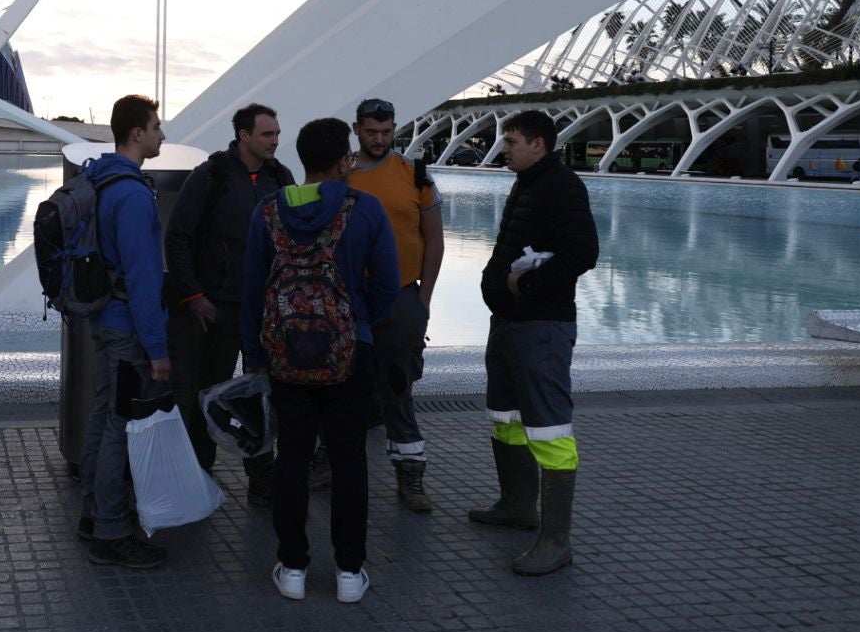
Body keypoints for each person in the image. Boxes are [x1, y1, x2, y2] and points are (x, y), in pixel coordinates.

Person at [242, 117, 398, 604]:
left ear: (303, 160)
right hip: (350, 355)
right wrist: (360, 324)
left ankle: (292, 567)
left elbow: (252, 291)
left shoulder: (267, 211)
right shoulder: (365, 209)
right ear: (342, 161)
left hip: (284, 356)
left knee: (291, 458)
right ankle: (350, 572)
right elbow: (388, 285)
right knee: (349, 460)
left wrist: (255, 354)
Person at [469, 110, 598, 576]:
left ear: (538, 144)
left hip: (541, 326)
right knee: (506, 416)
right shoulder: (528, 181)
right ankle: (518, 503)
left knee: (549, 429)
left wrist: (529, 286)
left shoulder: (561, 185)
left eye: (513, 141)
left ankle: (556, 541)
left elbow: (583, 252)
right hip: (510, 323)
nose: (504, 148)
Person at [163, 103, 294, 504]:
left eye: (276, 133)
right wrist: (195, 296)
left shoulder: (280, 177)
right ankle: (200, 472)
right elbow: (177, 237)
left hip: (265, 311)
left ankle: (262, 479)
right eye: (267, 134)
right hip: (216, 309)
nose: (275, 141)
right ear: (244, 136)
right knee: (209, 392)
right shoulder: (212, 176)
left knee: (265, 393)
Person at [76, 94, 169, 570]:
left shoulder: (101, 177)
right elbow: (143, 277)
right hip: (128, 327)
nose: (161, 135)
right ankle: (111, 530)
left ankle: (94, 511)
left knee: (103, 415)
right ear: (137, 133)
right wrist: (157, 348)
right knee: (120, 425)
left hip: (104, 319)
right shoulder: (132, 195)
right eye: (156, 127)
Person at [348, 97, 445, 513]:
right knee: (338, 386)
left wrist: (422, 300)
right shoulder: (341, 174)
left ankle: (410, 475)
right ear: (357, 129)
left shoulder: (416, 175)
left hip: (402, 298)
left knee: (397, 387)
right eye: (371, 132)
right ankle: (328, 464)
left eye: (386, 132)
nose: (379, 139)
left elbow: (435, 240)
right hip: (350, 301)